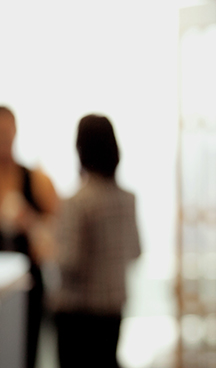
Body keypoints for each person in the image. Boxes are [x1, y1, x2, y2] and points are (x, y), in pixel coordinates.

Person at [53, 114, 141, 368]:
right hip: (113, 309)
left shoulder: (77, 202)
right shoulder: (127, 199)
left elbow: (70, 262)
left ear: (79, 149)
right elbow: (136, 251)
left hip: (79, 315)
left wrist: (46, 244)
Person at [0, 106, 59, 368]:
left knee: (25, 353)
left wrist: (30, 224)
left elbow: (58, 230)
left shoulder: (35, 178)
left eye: (7, 132)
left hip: (28, 286)